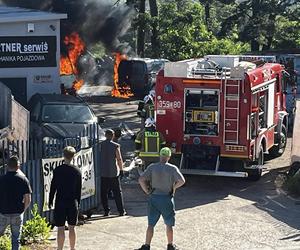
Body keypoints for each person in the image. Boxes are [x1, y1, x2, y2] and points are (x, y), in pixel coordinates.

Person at [137, 147, 185, 250]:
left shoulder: (152, 167)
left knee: (151, 224)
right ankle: (170, 245)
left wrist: (147, 191)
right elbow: (182, 181)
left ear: (160, 155)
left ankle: (147, 245)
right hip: (167, 198)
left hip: (154, 198)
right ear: (169, 157)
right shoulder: (173, 168)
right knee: (169, 224)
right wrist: (173, 187)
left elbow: (141, 179)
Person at [49, 146, 82, 250]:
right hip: (72, 202)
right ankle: (72, 248)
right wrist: (78, 203)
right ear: (73, 156)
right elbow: (79, 189)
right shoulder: (77, 171)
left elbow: (53, 187)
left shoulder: (57, 170)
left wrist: (50, 200)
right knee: (72, 228)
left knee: (60, 228)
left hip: (60, 201)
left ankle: (60, 248)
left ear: (63, 155)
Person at [0, 156, 32, 250]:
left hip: (3, 212)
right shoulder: (23, 180)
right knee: (15, 239)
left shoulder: (1, 180)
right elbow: (28, 199)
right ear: (18, 167)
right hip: (17, 213)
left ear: (7, 166)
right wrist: (23, 210)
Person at [99, 129, 126, 216]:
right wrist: (121, 170)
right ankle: (121, 211)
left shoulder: (100, 145)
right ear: (113, 135)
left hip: (103, 172)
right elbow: (119, 159)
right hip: (114, 172)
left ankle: (106, 210)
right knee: (117, 192)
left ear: (105, 135)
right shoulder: (116, 146)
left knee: (104, 192)